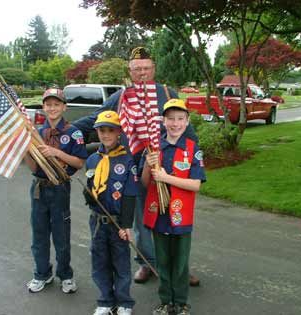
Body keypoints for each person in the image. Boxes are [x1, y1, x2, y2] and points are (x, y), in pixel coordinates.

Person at [73, 47, 200, 286]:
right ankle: (147, 262)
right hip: (135, 171)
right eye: (137, 69)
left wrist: (194, 158)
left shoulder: (166, 92)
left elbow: (187, 129)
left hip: (169, 170)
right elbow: (97, 119)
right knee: (142, 220)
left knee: (174, 219)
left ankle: (179, 267)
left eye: (146, 68)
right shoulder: (121, 98)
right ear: (130, 72)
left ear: (153, 69)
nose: (142, 73)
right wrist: (68, 131)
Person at [141, 99, 206, 315]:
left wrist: (166, 178)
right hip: (159, 214)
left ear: (187, 122)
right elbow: (144, 182)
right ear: (163, 121)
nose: (175, 123)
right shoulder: (154, 148)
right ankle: (165, 300)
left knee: (180, 263)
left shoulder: (192, 150)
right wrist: (149, 167)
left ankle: (181, 302)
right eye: (170, 119)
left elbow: (195, 185)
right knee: (163, 261)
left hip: (181, 216)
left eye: (180, 119)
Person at [23, 88, 88, 294]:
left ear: (64, 107)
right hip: (39, 189)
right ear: (43, 107)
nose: (52, 108)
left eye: (56, 104)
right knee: (39, 234)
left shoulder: (73, 132)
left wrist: (56, 152)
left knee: (61, 235)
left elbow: (79, 162)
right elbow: (34, 169)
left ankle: (66, 275)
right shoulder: (37, 133)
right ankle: (42, 273)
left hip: (60, 188)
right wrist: (26, 151)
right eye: (48, 104)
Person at [84, 110, 137, 315]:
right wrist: (88, 194)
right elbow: (91, 185)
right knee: (99, 262)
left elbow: (130, 196)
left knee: (121, 263)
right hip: (97, 221)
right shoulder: (92, 160)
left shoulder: (127, 161)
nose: (105, 135)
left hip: (117, 223)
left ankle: (124, 302)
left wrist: (126, 225)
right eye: (101, 131)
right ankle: (105, 301)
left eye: (110, 131)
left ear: (118, 133)